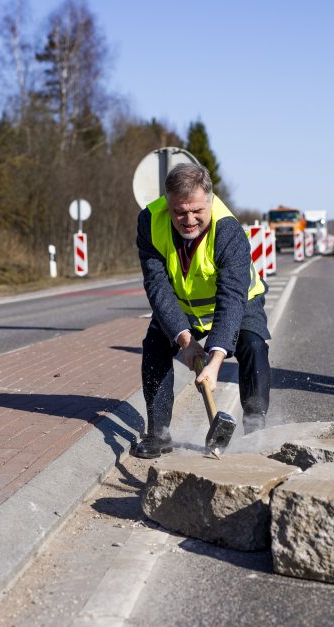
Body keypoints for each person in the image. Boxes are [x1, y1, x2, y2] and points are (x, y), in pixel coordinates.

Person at [132, 163, 271, 458]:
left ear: (210, 200)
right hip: (181, 306)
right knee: (155, 347)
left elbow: (231, 299)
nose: (189, 220)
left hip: (239, 302)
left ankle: (256, 432)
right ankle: (159, 434)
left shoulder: (229, 231)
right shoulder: (149, 222)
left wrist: (214, 361)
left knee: (253, 345)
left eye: (196, 211)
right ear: (168, 204)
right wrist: (186, 340)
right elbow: (157, 287)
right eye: (180, 212)